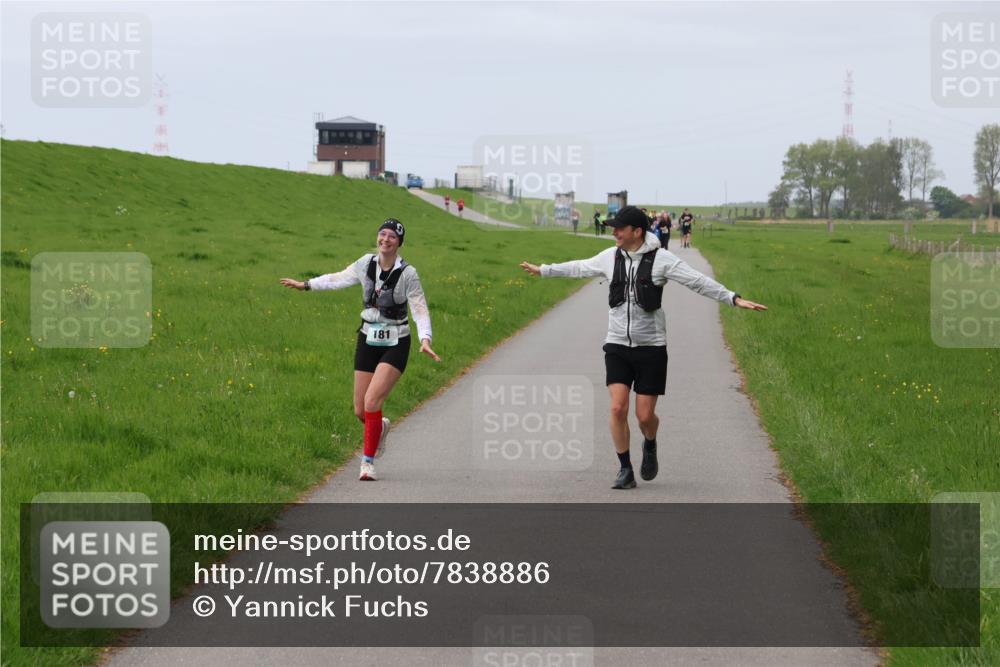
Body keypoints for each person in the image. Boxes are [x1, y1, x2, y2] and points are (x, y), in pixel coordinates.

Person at [519, 205, 766, 490]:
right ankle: (625, 469)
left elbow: (697, 281)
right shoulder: (609, 257)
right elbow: (579, 266)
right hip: (617, 344)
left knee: (644, 416)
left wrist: (732, 298)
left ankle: (650, 443)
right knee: (616, 408)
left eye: (619, 228)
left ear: (637, 232)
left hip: (651, 347)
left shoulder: (662, 259)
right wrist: (543, 270)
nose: (614, 232)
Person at [280, 219, 441, 481]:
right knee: (360, 410)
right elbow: (338, 279)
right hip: (368, 338)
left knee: (372, 402)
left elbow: (419, 306)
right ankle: (381, 427)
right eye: (382, 234)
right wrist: (306, 285)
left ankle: (367, 463)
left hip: (396, 340)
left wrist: (425, 339)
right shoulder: (365, 264)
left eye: (391, 236)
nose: (385, 239)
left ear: (399, 242)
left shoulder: (408, 274)